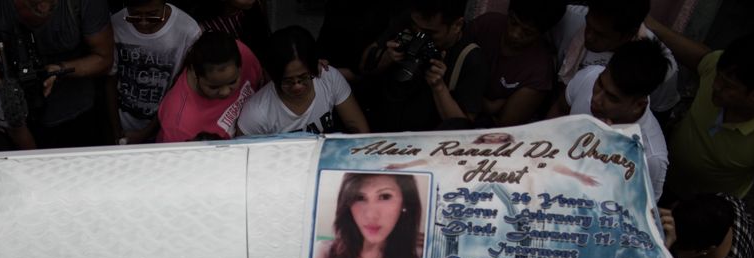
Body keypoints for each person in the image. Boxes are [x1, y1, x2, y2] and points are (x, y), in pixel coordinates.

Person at [647, 25, 754, 198]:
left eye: (728, 86)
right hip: (663, 173)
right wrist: (649, 24)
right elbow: (701, 58)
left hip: (697, 204)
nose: (715, 86)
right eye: (718, 77)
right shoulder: (721, 70)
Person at [0, 0, 114, 148]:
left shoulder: (84, 4)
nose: (44, 7)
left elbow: (104, 58)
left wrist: (59, 70)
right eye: (35, 3)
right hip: (11, 111)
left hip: (75, 112)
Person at [551, 38, 669, 199]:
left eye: (612, 98)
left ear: (639, 104)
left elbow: (640, 212)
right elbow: (559, 109)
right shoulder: (589, 76)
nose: (596, 98)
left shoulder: (650, 158)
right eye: (600, 84)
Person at [361, 0, 488, 132]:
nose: (419, 36)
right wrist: (386, 57)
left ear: (457, 25)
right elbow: (363, 67)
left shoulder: (471, 59)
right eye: (415, 29)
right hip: (382, 129)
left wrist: (439, 87)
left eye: (430, 33)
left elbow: (464, 131)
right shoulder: (409, 22)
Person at [550, 0, 679, 117]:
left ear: (629, 35)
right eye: (588, 25)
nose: (589, 37)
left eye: (600, 34)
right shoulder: (568, 20)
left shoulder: (660, 69)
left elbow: (659, 116)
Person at [237, 25, 369, 136]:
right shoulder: (256, 114)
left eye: (304, 77)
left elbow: (359, 130)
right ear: (272, 76)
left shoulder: (328, 78)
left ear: (315, 66)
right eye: (287, 81)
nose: (297, 87)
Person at [310, 173, 424, 258]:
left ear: (405, 203)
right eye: (359, 197)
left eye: (385, 196)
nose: (370, 215)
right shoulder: (325, 251)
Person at [109, 0, 202, 144]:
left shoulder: (187, 30)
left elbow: (182, 88)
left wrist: (145, 134)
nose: (144, 23)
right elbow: (110, 81)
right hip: (123, 125)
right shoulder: (115, 24)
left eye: (153, 16)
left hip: (166, 129)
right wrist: (116, 132)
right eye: (134, 17)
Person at [467, 0, 562, 126]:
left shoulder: (539, 70)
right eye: (513, 22)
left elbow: (505, 124)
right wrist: (488, 106)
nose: (515, 34)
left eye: (527, 32)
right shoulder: (485, 25)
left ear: (541, 34)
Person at [155, 30, 263, 142]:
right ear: (195, 74)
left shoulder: (242, 54)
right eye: (214, 87)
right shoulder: (179, 124)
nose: (225, 92)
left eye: (233, 82)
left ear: (240, 67)